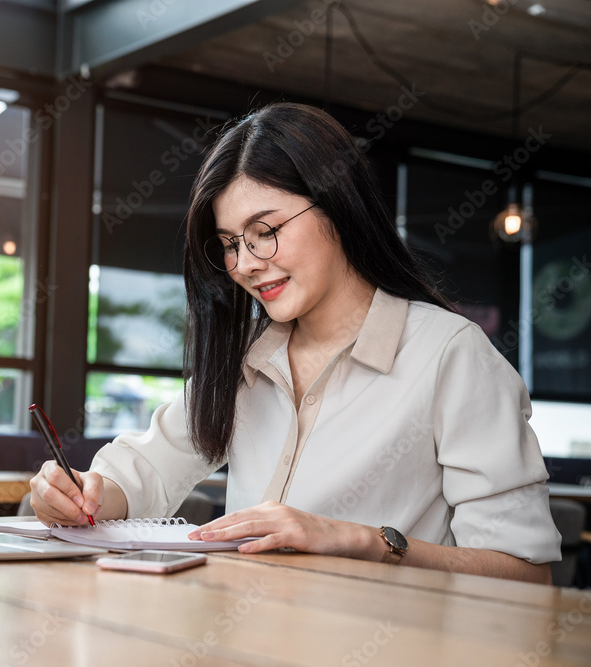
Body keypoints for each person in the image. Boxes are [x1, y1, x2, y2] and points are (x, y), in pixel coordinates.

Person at [30, 102, 561, 583]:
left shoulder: (450, 354)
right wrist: (78, 495)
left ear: (337, 205)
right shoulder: (245, 359)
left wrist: (362, 541)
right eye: (230, 244)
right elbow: (141, 473)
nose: (245, 264)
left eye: (266, 230)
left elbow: (525, 575)